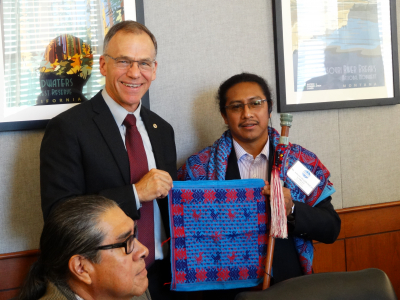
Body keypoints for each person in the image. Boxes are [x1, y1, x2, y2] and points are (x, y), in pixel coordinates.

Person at [40, 21, 177, 299]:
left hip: (164, 277)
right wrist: (136, 193)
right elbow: (59, 217)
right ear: (103, 65)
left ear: (155, 69)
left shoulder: (163, 130)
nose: (135, 73)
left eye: (144, 63)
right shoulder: (68, 128)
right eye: (124, 61)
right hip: (103, 284)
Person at [178, 73, 341, 298]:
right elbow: (186, 237)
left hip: (290, 285)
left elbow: (331, 228)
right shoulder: (199, 168)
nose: (247, 114)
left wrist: (291, 210)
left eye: (256, 103)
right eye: (236, 107)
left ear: (269, 108)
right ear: (224, 116)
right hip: (225, 289)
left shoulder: (298, 162)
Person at [19, 195, 150, 300]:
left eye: (134, 235)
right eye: (126, 242)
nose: (144, 250)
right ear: (82, 268)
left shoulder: (133, 289)